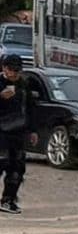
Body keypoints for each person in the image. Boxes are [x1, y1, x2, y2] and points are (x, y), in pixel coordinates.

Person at [0, 54, 37, 214]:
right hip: (1, 132)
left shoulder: (24, 84)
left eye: (17, 70)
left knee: (17, 168)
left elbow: (30, 108)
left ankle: (8, 200)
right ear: (4, 68)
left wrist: (33, 130)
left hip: (18, 132)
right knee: (1, 162)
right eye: (11, 70)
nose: (13, 74)